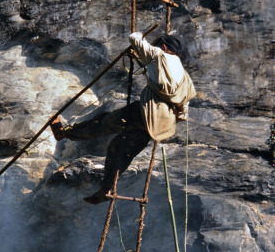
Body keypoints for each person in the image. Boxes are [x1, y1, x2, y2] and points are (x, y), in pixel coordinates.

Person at [51, 31, 196, 204]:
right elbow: (182, 112)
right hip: (159, 124)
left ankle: (65, 133)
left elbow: (135, 38)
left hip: (144, 112)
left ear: (164, 47)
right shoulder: (185, 78)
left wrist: (141, 37)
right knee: (121, 149)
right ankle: (107, 188)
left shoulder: (160, 54)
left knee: (104, 122)